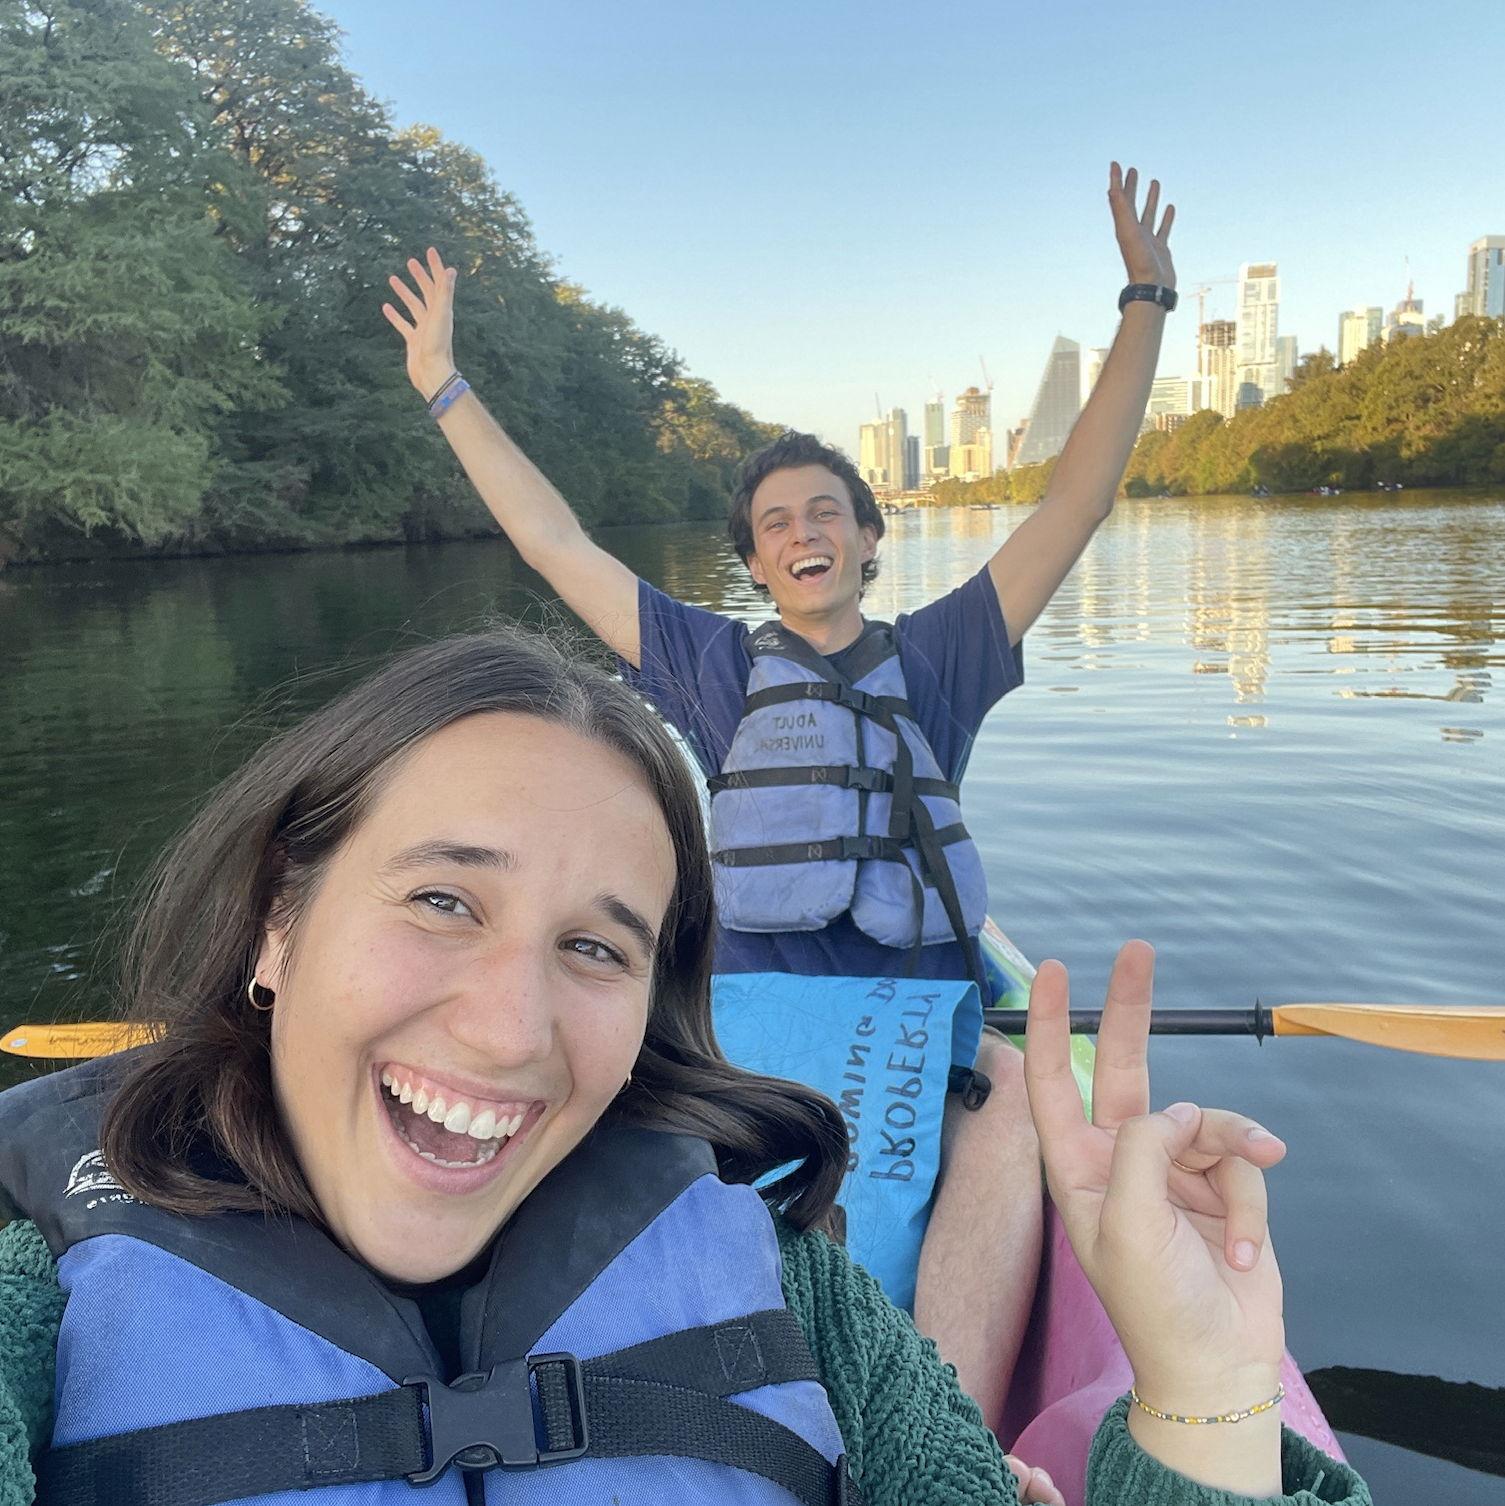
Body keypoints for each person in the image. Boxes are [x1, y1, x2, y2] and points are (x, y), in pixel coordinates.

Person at [0, 630, 1369, 1506]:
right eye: (443, 901)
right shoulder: (35, 1280)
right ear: (278, 921)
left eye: (596, 947)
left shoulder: (785, 1278)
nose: (509, 1029)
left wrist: (1202, 1383)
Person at [381, 164, 1179, 1427]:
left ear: (869, 539)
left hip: (917, 1017)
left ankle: (940, 1442)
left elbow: (1075, 498)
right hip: (745, 1020)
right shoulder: (710, 664)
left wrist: (1144, 303)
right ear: (753, 563)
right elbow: (553, 543)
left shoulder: (946, 655)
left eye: (824, 512)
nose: (801, 531)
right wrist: (442, 384)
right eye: (773, 523)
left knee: (1014, 1120)